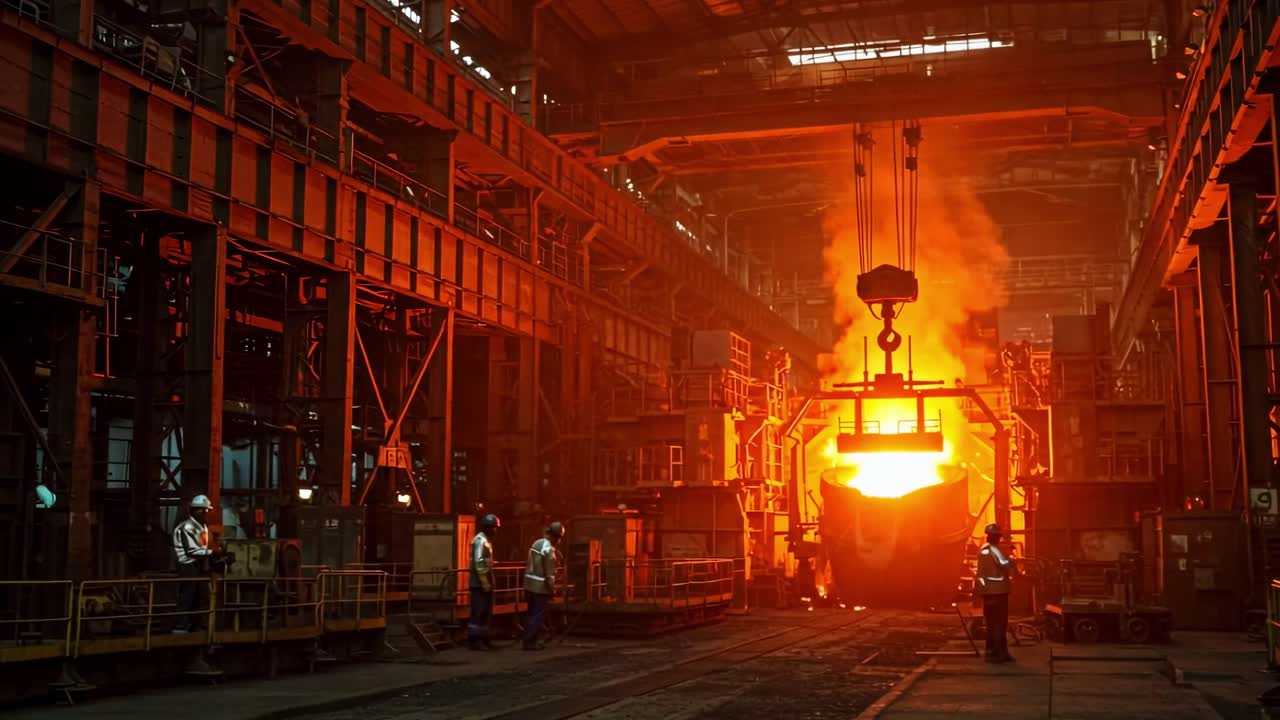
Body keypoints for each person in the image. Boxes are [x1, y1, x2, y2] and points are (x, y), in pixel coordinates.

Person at [172, 495, 214, 633]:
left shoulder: (201, 527)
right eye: (203, 510)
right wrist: (213, 553)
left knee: (200, 597)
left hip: (198, 568)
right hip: (187, 567)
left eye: (206, 510)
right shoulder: (187, 527)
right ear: (195, 511)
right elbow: (191, 551)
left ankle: (196, 625)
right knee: (187, 596)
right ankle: (181, 626)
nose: (205, 513)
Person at [976, 523, 1014, 663]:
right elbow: (1005, 564)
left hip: (987, 592)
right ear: (997, 537)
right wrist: (1011, 558)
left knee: (991, 624)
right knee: (1000, 624)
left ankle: (990, 653)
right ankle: (1000, 653)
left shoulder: (982, 549)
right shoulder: (995, 549)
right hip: (999, 592)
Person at [523, 521, 563, 650]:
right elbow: (550, 575)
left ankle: (527, 639)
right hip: (540, 588)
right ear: (556, 536)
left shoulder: (537, 543)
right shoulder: (549, 550)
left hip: (528, 585)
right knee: (537, 615)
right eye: (559, 538)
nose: (559, 541)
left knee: (531, 614)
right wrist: (552, 590)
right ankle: (531, 642)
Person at [468, 514, 500, 650]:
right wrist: (485, 584)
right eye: (493, 528)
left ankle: (485, 639)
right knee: (478, 613)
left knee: (486, 613)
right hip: (479, 585)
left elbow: (485, 562)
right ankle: (474, 641)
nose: (495, 530)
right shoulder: (479, 540)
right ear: (487, 528)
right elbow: (479, 563)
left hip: (485, 584)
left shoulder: (486, 540)